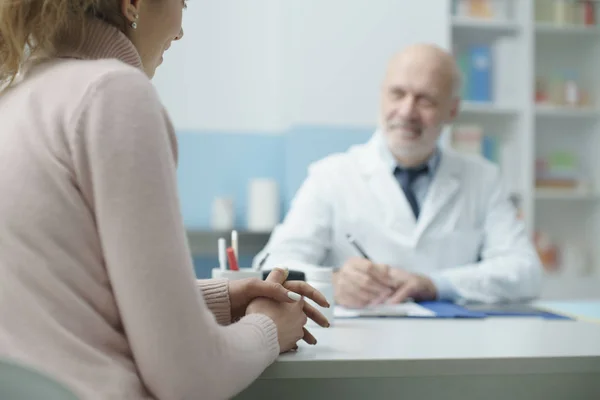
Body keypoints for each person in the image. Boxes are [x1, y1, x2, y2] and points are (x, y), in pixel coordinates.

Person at [0, 1, 330, 399]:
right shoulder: (112, 92)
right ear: (133, 4)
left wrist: (219, 298)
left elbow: (60, 301)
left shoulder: (16, 95)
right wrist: (269, 329)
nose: (180, 32)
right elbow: (191, 379)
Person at [253, 44, 542, 308]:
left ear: (451, 110)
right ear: (382, 96)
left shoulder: (483, 179)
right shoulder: (330, 176)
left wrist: (433, 284)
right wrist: (334, 282)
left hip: (454, 347)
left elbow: (525, 271)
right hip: (357, 349)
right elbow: (271, 265)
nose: (406, 111)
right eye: (397, 94)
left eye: (425, 100)